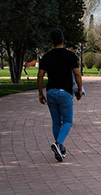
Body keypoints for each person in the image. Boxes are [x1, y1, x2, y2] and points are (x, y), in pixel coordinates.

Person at [38, 29, 82, 162]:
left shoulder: (46, 57)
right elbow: (77, 74)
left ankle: (60, 148)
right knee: (68, 121)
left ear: (51, 41)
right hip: (65, 92)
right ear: (63, 39)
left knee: (56, 122)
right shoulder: (70, 56)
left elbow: (40, 76)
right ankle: (58, 144)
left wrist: (40, 93)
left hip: (51, 92)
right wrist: (79, 90)